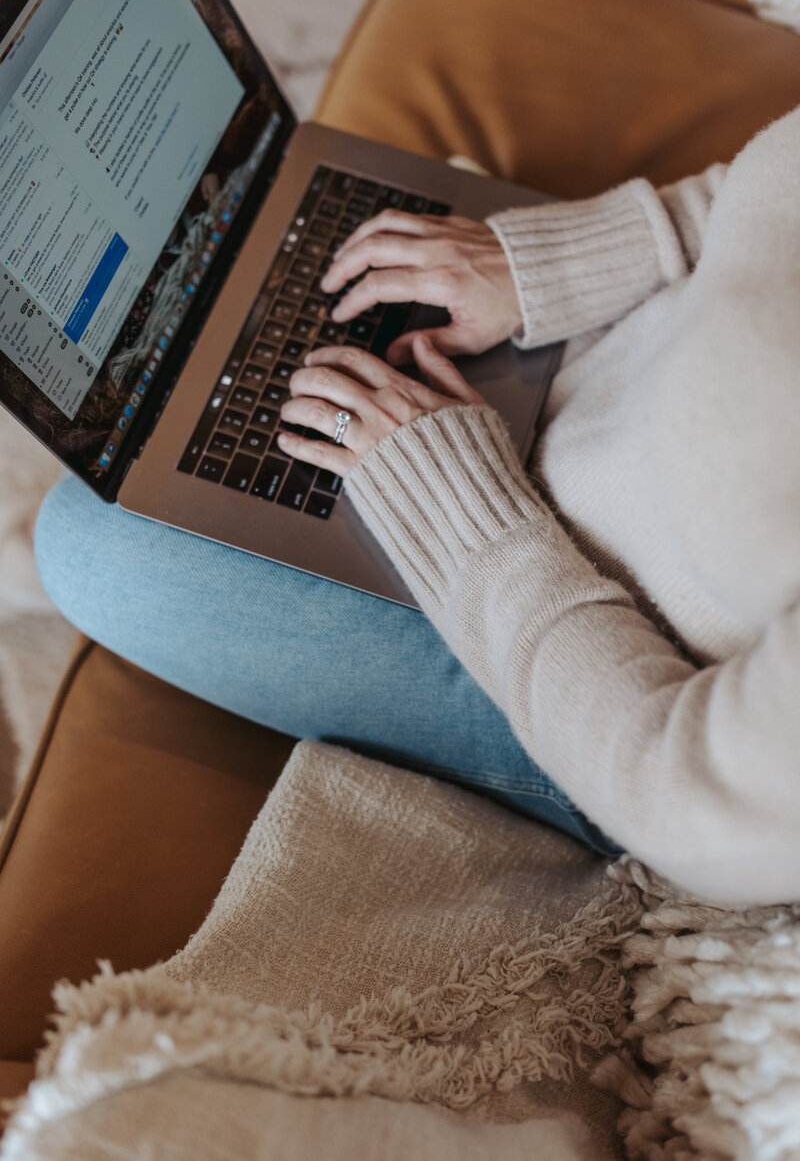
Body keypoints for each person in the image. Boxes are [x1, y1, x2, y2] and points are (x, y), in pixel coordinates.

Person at [35, 104, 800, 905]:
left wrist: (467, 520)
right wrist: (571, 260)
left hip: (584, 639)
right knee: (302, 218)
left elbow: (693, 811)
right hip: (611, 339)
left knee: (85, 540)